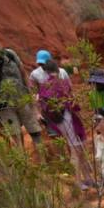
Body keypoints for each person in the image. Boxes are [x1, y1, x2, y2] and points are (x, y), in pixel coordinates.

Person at [36, 59, 93, 187]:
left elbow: (41, 105)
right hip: (69, 119)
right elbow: (72, 100)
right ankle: (79, 181)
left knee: (76, 149)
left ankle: (87, 178)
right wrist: (79, 113)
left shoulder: (43, 87)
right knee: (76, 150)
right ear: (57, 69)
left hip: (58, 122)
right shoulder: (63, 83)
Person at [0, 41, 42, 148]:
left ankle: (42, 159)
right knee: (15, 134)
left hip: (22, 99)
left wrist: (31, 95)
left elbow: (23, 74)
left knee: (35, 130)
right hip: (4, 106)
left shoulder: (10, 54)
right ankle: (23, 163)